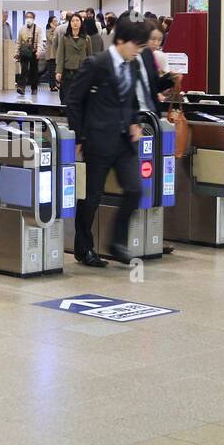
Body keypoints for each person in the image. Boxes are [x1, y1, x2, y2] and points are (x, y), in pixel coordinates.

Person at [67, 18, 151, 268]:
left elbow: (131, 100)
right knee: (91, 197)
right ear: (122, 41)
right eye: (136, 45)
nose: (138, 51)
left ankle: (117, 242)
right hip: (97, 140)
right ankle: (84, 248)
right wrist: (79, 136)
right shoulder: (97, 64)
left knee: (135, 189)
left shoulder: (132, 64)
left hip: (124, 142)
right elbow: (74, 100)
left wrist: (135, 120)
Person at [55, 13, 91, 104]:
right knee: (66, 96)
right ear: (70, 23)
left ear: (81, 23)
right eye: (73, 21)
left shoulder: (87, 38)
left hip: (81, 71)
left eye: (77, 20)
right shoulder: (65, 38)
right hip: (68, 71)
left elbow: (90, 56)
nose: (75, 23)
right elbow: (60, 55)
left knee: (80, 97)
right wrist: (59, 71)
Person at [15, 11, 42, 98]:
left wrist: (39, 51)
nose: (28, 19)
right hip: (24, 52)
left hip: (34, 52)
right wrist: (16, 52)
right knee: (24, 69)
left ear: (33, 18)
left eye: (30, 17)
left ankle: (34, 88)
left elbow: (40, 41)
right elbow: (18, 42)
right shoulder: (22, 29)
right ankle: (21, 87)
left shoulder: (38, 28)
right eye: (26, 17)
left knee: (34, 70)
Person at [44, 15, 60, 92]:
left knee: (56, 71)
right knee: (51, 71)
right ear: (50, 23)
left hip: (57, 54)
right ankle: (52, 86)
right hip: (50, 55)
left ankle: (56, 84)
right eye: (54, 21)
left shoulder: (58, 30)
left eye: (57, 21)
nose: (56, 23)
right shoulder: (48, 31)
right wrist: (54, 29)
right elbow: (53, 40)